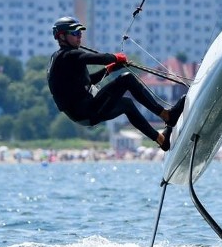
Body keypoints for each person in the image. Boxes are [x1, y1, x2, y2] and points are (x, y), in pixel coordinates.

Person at [47, 16, 185, 151]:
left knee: (127, 104)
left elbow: (87, 82)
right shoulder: (67, 56)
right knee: (126, 79)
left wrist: (109, 69)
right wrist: (115, 57)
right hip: (87, 110)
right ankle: (166, 115)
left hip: (85, 114)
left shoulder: (65, 58)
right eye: (75, 33)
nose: (79, 36)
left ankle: (161, 140)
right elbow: (97, 58)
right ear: (62, 36)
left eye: (80, 33)